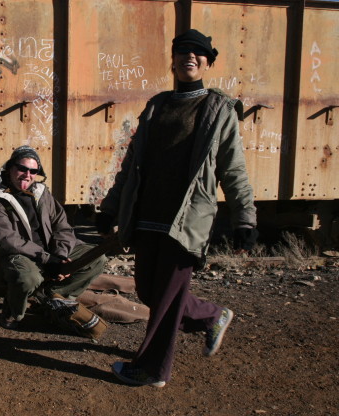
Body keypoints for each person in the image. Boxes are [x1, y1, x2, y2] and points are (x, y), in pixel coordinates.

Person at [96, 29, 258, 387]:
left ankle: (152, 369)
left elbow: (234, 171)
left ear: (208, 62)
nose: (189, 56)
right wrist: (110, 209)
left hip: (185, 221)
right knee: (148, 292)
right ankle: (210, 316)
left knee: (167, 300)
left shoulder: (218, 110)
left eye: (198, 53)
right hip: (146, 217)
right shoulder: (157, 105)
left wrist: (244, 219)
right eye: (182, 51)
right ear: (172, 59)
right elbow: (131, 166)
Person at [0, 145, 106, 330]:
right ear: (10, 168)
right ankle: (14, 313)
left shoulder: (42, 194)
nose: (26, 175)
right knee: (27, 277)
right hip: (17, 257)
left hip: (49, 254)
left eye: (33, 171)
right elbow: (5, 240)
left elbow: (62, 226)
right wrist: (49, 260)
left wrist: (61, 256)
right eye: (22, 168)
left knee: (97, 259)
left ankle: (52, 298)